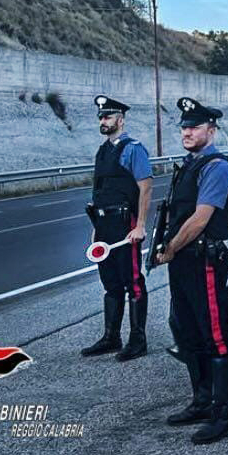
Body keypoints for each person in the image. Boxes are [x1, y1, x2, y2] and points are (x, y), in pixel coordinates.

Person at [154, 97, 228, 444]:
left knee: (214, 337)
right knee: (187, 333)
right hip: (182, 262)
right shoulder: (189, 165)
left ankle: (224, 416)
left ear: (211, 130)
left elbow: (201, 218)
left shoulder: (216, 166)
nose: (187, 132)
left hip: (202, 261)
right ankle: (202, 402)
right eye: (184, 127)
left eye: (194, 126)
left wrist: (171, 248)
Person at [81, 95, 153, 362]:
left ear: (120, 120)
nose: (103, 120)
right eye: (101, 117)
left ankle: (138, 340)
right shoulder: (102, 151)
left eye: (108, 117)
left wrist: (141, 225)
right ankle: (112, 337)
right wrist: (95, 230)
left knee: (133, 282)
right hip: (104, 225)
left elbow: (145, 187)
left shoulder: (133, 149)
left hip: (126, 225)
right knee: (110, 283)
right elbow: (98, 190)